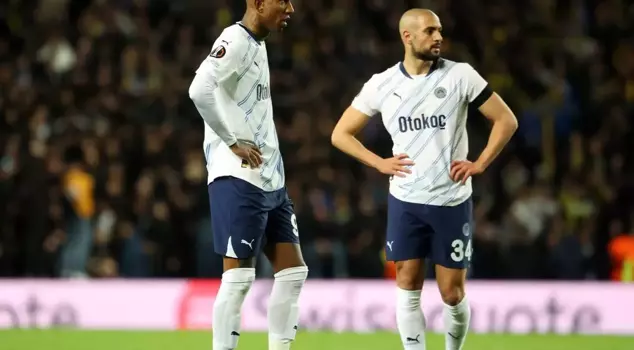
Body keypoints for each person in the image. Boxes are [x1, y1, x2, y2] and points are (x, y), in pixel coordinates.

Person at [331, 8, 518, 350]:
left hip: (451, 199)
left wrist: (480, 163)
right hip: (406, 199)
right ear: (408, 37)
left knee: (452, 292)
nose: (438, 37)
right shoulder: (383, 84)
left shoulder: (461, 76)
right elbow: (341, 134)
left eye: (440, 31)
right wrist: (378, 163)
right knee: (407, 281)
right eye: (430, 31)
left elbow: (506, 120)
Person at [188, 1, 307, 349]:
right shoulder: (235, 40)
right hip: (239, 177)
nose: (290, 8)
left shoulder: (258, 42)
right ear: (256, 2)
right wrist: (231, 141)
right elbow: (199, 90)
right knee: (239, 278)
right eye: (281, 1)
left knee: (293, 272)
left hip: (272, 179)